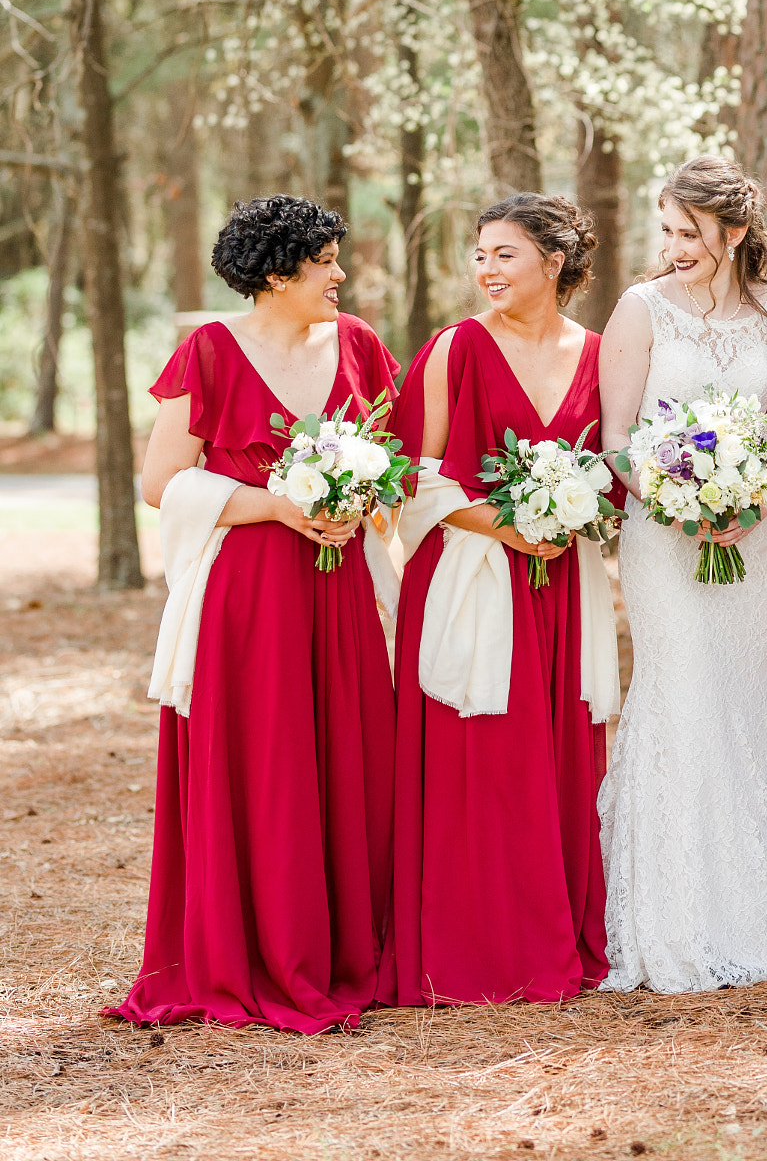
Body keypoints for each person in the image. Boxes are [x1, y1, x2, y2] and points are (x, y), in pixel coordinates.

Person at [114, 196, 400, 1031]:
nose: (339, 275)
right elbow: (162, 482)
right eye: (324, 262)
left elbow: (394, 461)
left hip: (338, 584)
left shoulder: (360, 348)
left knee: (345, 754)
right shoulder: (206, 352)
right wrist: (276, 505)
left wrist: (362, 498)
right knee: (265, 764)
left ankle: (351, 948)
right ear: (278, 272)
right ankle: (260, 951)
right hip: (249, 595)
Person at [596, 156, 767, 992]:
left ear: (735, 233)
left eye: (690, 232)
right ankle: (671, 922)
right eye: (666, 230)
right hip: (661, 534)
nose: (673, 246)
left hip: (749, 537)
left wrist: (745, 503)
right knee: (680, 691)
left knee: (748, 695)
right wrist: (676, 501)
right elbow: (615, 438)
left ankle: (764, 913)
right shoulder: (637, 310)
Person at [390, 194, 612, 1005]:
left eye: (505, 254)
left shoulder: (598, 354)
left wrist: (574, 514)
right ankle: (465, 948)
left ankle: (547, 934)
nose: (486, 269)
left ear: (554, 263)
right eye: (480, 254)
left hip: (559, 583)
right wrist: (507, 527)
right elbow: (411, 477)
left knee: (552, 762)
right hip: (472, 576)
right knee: (474, 761)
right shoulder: (454, 348)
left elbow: (612, 466)